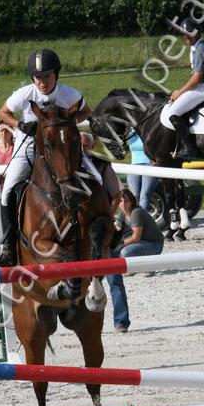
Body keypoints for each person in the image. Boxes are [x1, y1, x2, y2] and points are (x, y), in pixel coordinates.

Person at [0, 48, 91, 266]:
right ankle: (9, 246)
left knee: (90, 176)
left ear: (56, 74)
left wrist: (68, 124)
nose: (42, 82)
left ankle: (98, 227)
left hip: (58, 147)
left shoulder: (69, 94)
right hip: (28, 145)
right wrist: (19, 124)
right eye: (37, 77)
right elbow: (3, 112)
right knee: (7, 189)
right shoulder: (25, 94)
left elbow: (86, 111)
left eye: (46, 76)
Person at [80, 132, 130, 334]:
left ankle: (121, 321)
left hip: (102, 227)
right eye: (79, 145)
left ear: (91, 147)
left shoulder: (102, 165)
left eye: (85, 145)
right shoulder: (68, 164)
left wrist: (108, 217)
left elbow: (117, 194)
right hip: (79, 229)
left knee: (114, 277)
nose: (82, 149)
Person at [168, 17, 204, 161]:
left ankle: (189, 149)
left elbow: (196, 79)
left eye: (188, 33)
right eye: (184, 34)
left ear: (196, 33)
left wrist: (179, 93)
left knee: (173, 112)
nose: (185, 37)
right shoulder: (197, 48)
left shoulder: (200, 49)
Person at [116, 188, 164, 258]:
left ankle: (145, 264)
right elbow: (118, 233)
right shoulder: (121, 214)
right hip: (140, 242)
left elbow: (136, 238)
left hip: (154, 244)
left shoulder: (136, 212)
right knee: (111, 251)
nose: (123, 203)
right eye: (120, 201)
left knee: (125, 252)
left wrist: (119, 245)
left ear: (131, 202)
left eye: (125, 200)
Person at [127, 131, 158, 212]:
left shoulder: (149, 129)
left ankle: (140, 218)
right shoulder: (129, 132)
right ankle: (133, 217)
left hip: (150, 165)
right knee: (133, 196)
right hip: (134, 165)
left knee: (144, 196)